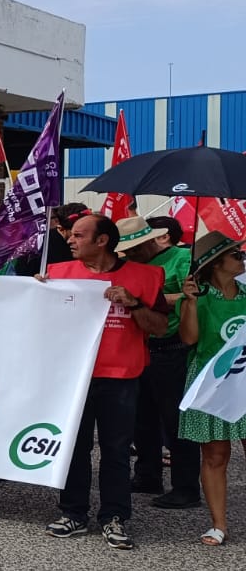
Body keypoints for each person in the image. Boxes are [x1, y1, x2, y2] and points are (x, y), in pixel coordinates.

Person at [39, 213, 167, 550]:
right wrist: (36, 293)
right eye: (70, 234)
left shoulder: (145, 276)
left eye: (78, 235)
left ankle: (114, 516)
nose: (70, 240)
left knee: (116, 450)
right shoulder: (57, 274)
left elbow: (160, 327)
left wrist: (134, 303)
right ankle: (73, 512)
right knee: (74, 447)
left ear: (102, 241)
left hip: (121, 377)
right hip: (74, 377)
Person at [117, 216, 201, 509]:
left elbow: (194, 294)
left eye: (137, 248)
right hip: (140, 344)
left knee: (175, 421)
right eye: (128, 250)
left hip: (173, 346)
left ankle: (186, 486)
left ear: (153, 239)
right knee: (142, 417)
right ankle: (147, 473)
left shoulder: (183, 259)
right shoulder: (128, 265)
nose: (133, 254)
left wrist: (153, 298)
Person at [178, 232, 246, 547]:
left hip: (243, 376)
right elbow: (189, 339)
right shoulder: (198, 297)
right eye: (236, 255)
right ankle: (219, 524)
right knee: (216, 454)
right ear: (216, 262)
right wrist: (190, 303)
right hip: (211, 380)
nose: (242, 259)